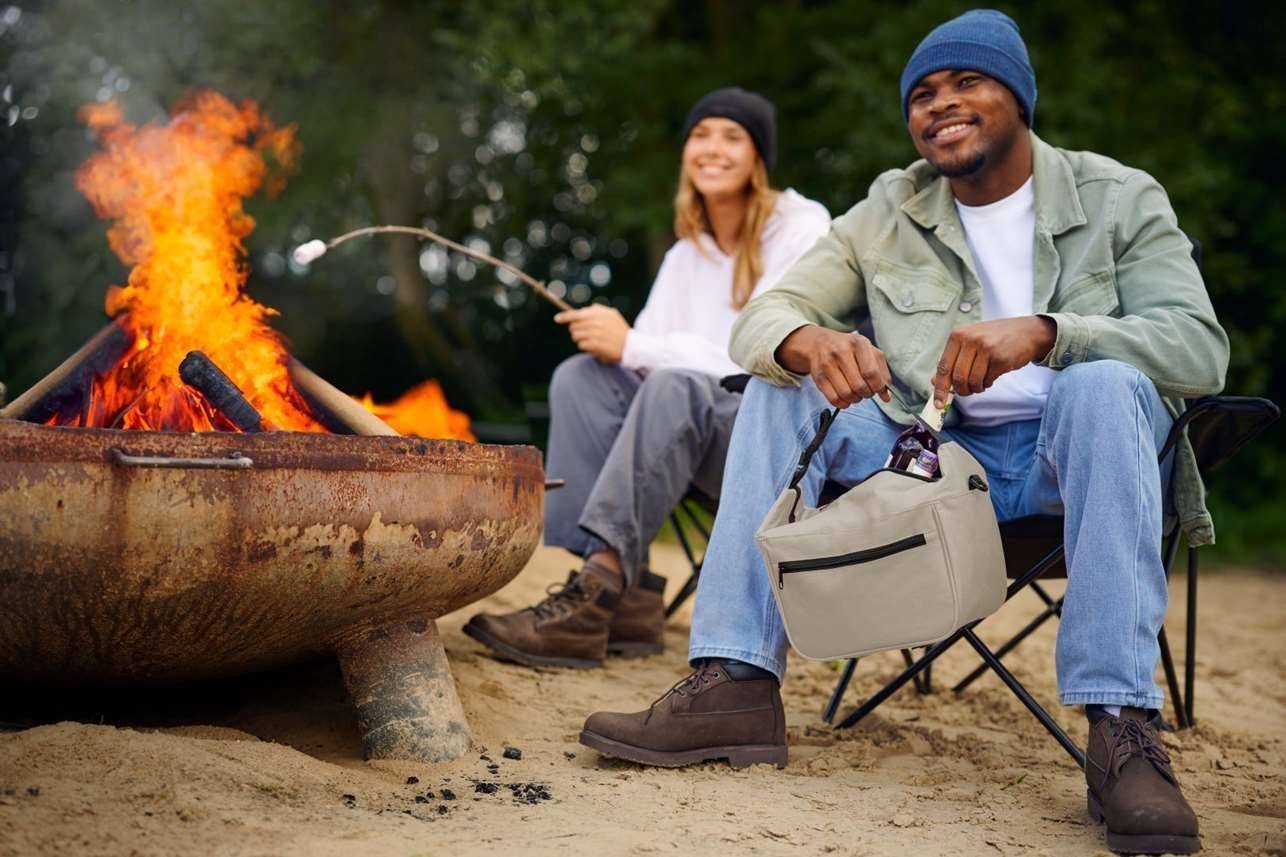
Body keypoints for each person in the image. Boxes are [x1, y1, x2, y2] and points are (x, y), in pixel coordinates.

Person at [579, 11, 1227, 856]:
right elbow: (761, 318)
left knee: (1104, 385)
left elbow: (1199, 347)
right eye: (922, 93)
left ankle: (1120, 728)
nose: (941, 104)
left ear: (1020, 98)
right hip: (924, 464)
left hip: (1065, 462)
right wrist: (807, 341)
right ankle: (734, 677)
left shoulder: (1118, 195)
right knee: (780, 384)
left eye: (967, 82)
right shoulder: (889, 207)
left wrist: (1045, 331)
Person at [465, 88, 831, 670]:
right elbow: (642, 362)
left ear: (759, 157)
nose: (713, 149)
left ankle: (593, 598)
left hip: (771, 437)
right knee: (582, 376)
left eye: (732, 137)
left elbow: (770, 354)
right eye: (701, 136)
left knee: (673, 386)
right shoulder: (686, 254)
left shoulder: (802, 228)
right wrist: (619, 348)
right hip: (684, 436)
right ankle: (626, 594)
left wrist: (633, 342)